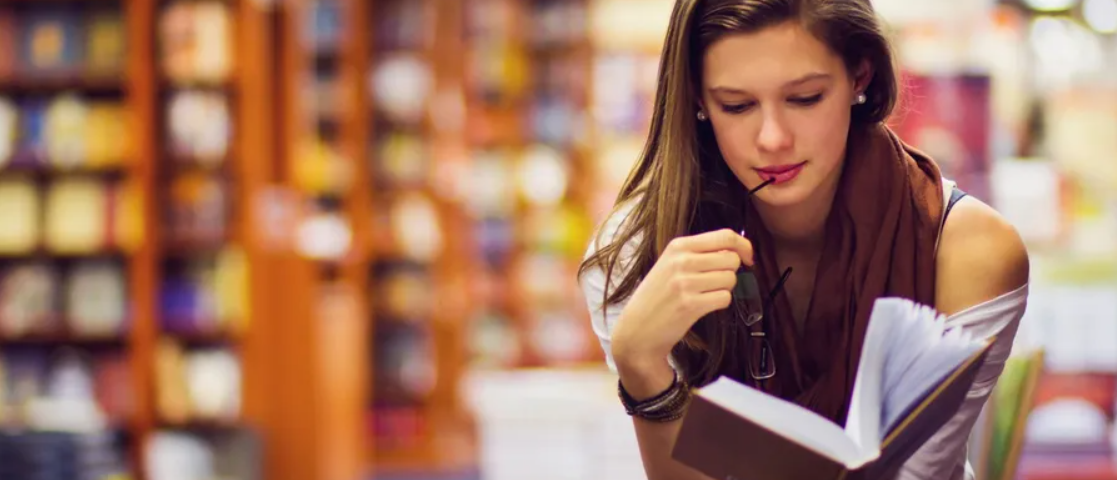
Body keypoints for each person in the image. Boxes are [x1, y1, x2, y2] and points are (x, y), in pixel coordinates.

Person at [577, 1, 1031, 479]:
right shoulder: (636, 252)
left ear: (860, 75)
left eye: (805, 98)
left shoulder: (968, 249)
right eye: (736, 105)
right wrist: (641, 367)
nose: (773, 138)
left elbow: (916, 472)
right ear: (696, 100)